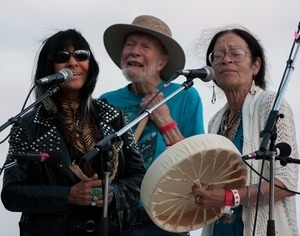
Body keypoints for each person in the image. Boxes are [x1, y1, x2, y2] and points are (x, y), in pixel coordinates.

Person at [1, 29, 146, 236]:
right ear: (48, 68)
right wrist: (67, 195)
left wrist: (112, 193)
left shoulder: (114, 116)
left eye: (81, 55)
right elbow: (11, 193)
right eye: (62, 57)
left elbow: (139, 178)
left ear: (90, 65)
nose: (72, 62)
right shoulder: (27, 124)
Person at [100, 15, 205, 235]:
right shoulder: (106, 101)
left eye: (145, 47)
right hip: (114, 221)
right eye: (130, 45)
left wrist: (165, 122)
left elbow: (198, 167)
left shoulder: (183, 95)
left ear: (162, 61)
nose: (135, 51)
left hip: (163, 222)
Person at [192, 27, 299, 236]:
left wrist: (229, 197)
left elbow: (286, 183)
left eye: (236, 54)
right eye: (218, 55)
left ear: (256, 65)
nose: (226, 60)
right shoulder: (216, 121)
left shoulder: (271, 104)